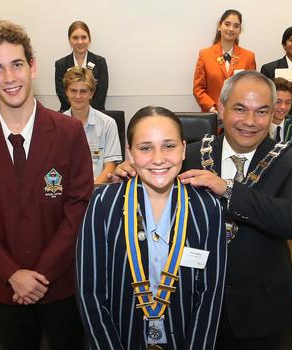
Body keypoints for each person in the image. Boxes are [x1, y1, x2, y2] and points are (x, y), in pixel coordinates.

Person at [111, 71, 292, 349]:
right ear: (221, 108)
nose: (250, 122)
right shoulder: (191, 155)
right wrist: (131, 173)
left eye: (261, 112)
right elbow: (155, 195)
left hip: (261, 310)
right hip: (192, 303)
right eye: (240, 109)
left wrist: (227, 189)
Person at [0, 20, 93, 350]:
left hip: (59, 282)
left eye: (17, 64)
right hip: (6, 287)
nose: (10, 78)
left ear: (32, 67)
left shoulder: (69, 132)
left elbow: (78, 207)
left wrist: (41, 274)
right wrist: (13, 274)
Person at [76, 106, 226, 349]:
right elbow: (90, 293)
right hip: (122, 337)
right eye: (145, 148)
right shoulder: (103, 203)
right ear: (130, 153)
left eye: (169, 146)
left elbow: (210, 294)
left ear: (184, 149)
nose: (158, 158)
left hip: (184, 338)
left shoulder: (207, 208)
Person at [62, 66, 121, 184]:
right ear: (66, 92)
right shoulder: (57, 125)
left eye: (83, 91)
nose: (78, 96)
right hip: (67, 193)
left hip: (97, 190)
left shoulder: (108, 124)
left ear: (92, 93)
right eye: (73, 90)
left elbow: (110, 168)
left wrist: (90, 193)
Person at [193, 9, 257, 113]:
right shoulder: (205, 55)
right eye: (227, 24)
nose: (231, 29)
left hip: (240, 116)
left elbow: (251, 88)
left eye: (236, 26)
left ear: (240, 30)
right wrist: (212, 109)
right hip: (213, 116)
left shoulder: (248, 57)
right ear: (219, 26)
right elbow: (198, 89)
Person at [55, 21, 108, 111]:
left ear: (89, 39)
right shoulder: (61, 65)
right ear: (69, 40)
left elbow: (101, 94)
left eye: (83, 37)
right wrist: (77, 111)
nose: (80, 42)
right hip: (69, 115)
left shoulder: (100, 62)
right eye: (75, 38)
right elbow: (62, 94)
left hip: (96, 113)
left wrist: (88, 112)